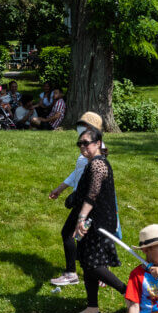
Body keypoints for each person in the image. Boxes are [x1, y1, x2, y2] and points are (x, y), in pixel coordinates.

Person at [70, 127, 127, 313]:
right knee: (87, 263)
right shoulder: (92, 163)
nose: (82, 146)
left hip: (99, 220)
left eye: (86, 143)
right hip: (93, 218)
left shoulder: (98, 164)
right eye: (80, 143)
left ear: (98, 143)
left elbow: (93, 194)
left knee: (93, 264)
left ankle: (128, 292)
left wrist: (81, 218)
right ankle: (92, 307)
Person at [48, 113, 105, 287]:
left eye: (83, 125)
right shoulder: (87, 147)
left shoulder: (95, 151)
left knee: (70, 234)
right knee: (86, 237)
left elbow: (96, 180)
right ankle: (100, 273)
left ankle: (73, 273)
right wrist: (60, 188)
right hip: (83, 199)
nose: (79, 128)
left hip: (86, 201)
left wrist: (84, 203)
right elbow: (77, 173)